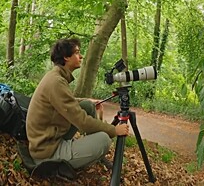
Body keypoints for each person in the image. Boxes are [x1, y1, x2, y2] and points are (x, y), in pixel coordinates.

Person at [26, 38, 129, 169]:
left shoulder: (56, 77)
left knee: (87, 106)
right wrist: (114, 130)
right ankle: (89, 152)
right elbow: (82, 122)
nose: (81, 56)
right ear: (66, 57)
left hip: (51, 138)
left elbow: (67, 102)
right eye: (77, 53)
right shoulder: (56, 82)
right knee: (104, 139)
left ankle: (95, 154)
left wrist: (87, 100)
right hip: (46, 152)